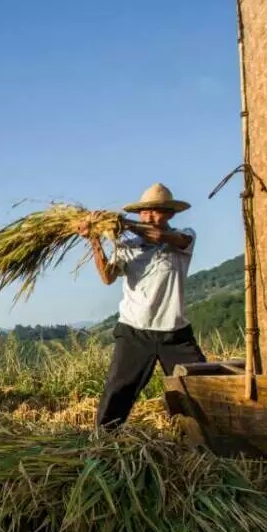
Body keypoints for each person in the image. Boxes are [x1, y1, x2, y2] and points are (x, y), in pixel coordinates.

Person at [78, 183, 206, 428]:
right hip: (134, 332)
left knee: (199, 387)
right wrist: (95, 239)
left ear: (170, 214)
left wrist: (122, 223)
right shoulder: (128, 247)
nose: (149, 216)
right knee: (118, 391)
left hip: (175, 334)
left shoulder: (182, 239)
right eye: (144, 212)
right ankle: (103, 443)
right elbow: (107, 277)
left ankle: (206, 442)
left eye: (156, 211)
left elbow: (159, 236)